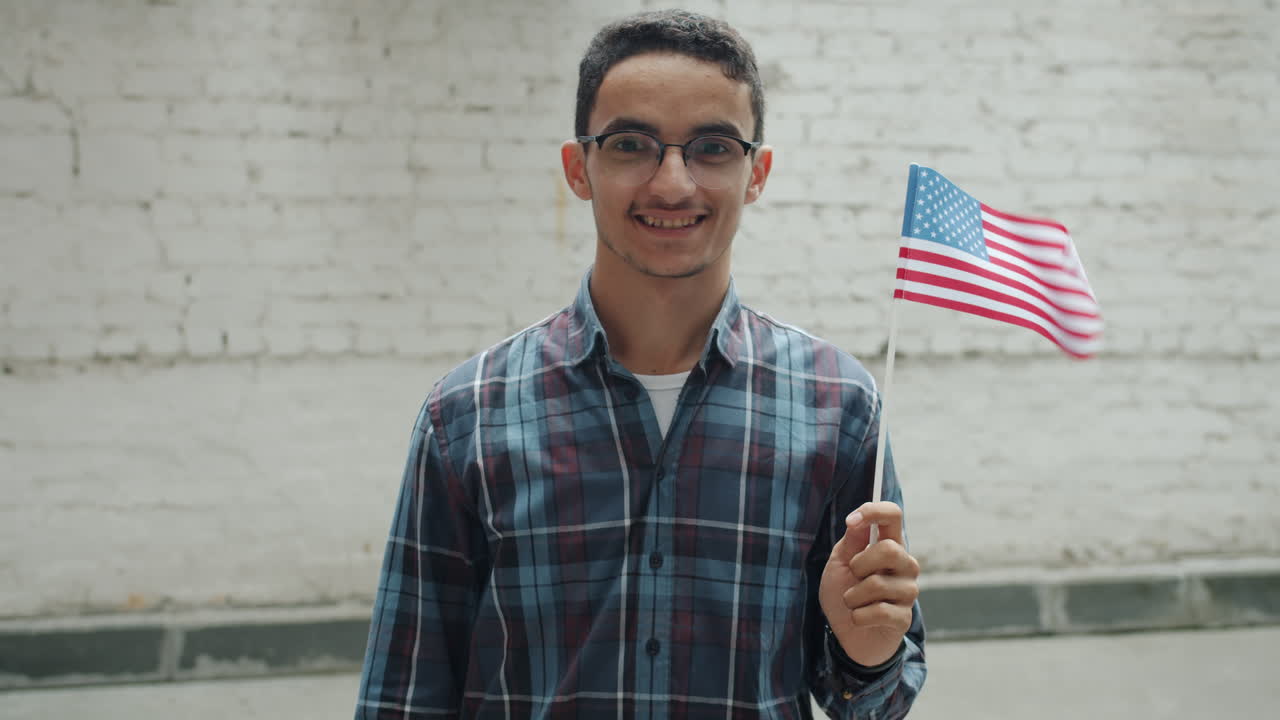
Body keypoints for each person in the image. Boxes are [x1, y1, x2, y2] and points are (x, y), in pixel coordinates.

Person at [356, 9, 925, 719]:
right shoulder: (465, 414)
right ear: (578, 167)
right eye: (632, 144)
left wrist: (862, 652)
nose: (673, 183)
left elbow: (875, 700)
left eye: (713, 147)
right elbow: (404, 694)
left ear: (757, 173)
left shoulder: (839, 406)